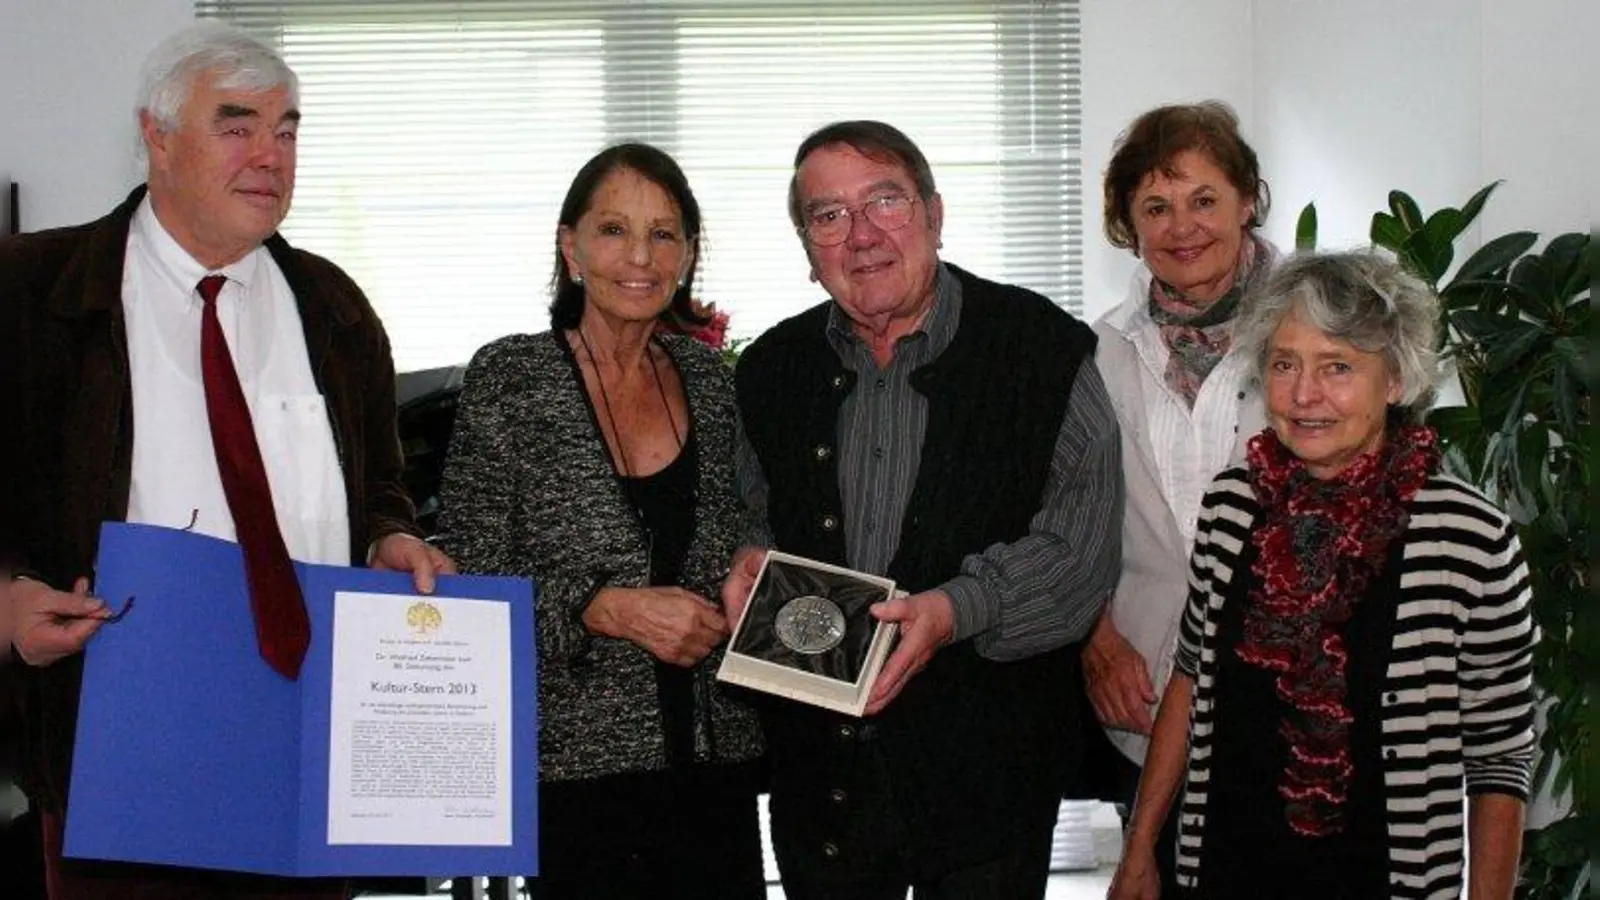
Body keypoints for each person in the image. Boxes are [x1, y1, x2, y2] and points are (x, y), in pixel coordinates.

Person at [0, 23, 453, 900]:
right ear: (158, 136)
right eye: (237, 125)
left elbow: (377, 488)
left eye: (286, 131)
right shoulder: (30, 292)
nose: (270, 155)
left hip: (306, 738)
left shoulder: (333, 307)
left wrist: (387, 538)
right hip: (121, 746)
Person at [725, 120, 1123, 898]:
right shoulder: (771, 369)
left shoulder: (1041, 349)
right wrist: (747, 560)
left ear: (935, 216)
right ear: (808, 249)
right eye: (829, 215)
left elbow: (1082, 551)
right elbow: (754, 515)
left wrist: (955, 610)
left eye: (886, 201)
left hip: (989, 784)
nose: (861, 235)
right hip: (824, 787)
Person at [1108, 252, 1536, 900]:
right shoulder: (1232, 506)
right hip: (1224, 870)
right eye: (1285, 364)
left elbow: (1499, 756)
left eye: (1337, 367)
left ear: (1395, 380)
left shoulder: (1468, 539)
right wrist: (1140, 844)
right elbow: (1189, 682)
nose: (1304, 395)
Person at [436, 143, 765, 899]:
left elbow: (742, 542)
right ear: (571, 247)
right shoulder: (512, 378)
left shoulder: (711, 382)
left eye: (663, 233)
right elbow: (470, 584)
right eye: (614, 229)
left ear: (687, 254)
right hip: (575, 776)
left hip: (714, 767)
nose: (640, 257)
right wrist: (601, 607)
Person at [1082, 101, 1273, 888]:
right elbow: (1068, 519)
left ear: (1246, 201)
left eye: (1204, 199)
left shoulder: (1319, 332)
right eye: (1156, 207)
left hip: (1298, 704)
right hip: (1148, 698)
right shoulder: (1097, 352)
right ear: (1129, 224)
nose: (1182, 227)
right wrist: (1096, 640)